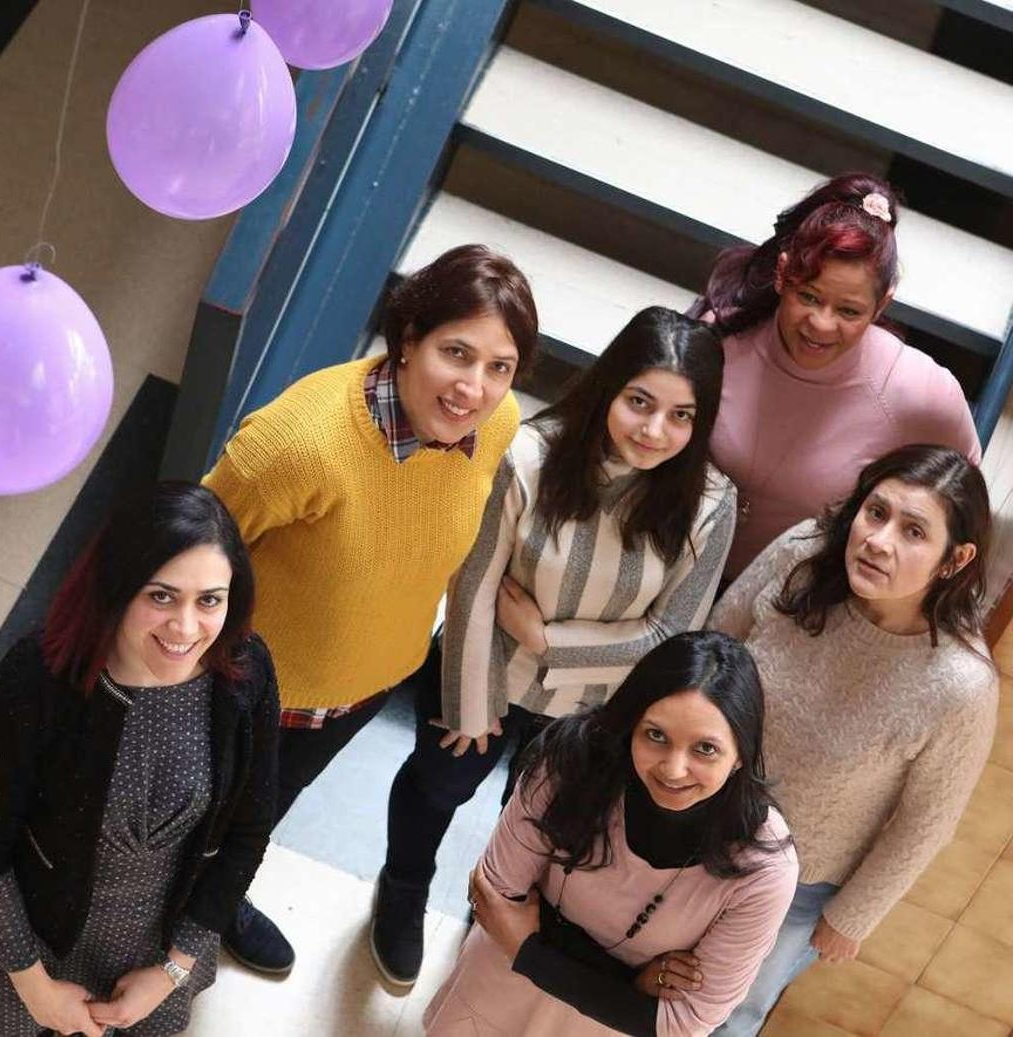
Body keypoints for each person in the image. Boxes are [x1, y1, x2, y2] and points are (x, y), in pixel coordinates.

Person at [375, 306, 738, 985]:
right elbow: (476, 586)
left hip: (591, 713)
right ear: (608, 388)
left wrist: (545, 637)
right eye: (640, 402)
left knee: (537, 828)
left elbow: (668, 638)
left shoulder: (711, 503)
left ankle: (489, 925)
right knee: (438, 784)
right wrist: (468, 703)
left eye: (682, 415)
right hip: (483, 672)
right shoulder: (530, 456)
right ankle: (400, 890)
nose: (656, 430)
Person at [201, 244, 537, 974]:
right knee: (195, 825)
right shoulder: (298, 445)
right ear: (409, 336)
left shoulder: (498, 424)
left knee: (260, 818)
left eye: (499, 366)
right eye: (457, 352)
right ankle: (167, 941)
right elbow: (184, 556)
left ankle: (215, 904)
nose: (475, 387)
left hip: (364, 681)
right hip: (252, 692)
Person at [0, 483, 278, 1037]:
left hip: (158, 945)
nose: (186, 629)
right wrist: (37, 989)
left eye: (209, 600)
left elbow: (249, 827)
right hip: (36, 937)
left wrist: (172, 969)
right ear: (116, 587)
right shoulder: (40, 677)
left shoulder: (245, 672)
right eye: (161, 596)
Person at [708, 444, 997, 1035]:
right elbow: (711, 654)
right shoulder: (802, 556)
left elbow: (926, 823)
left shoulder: (961, 684)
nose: (879, 540)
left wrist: (854, 917)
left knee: (729, 1015)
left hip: (798, 884)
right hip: (693, 818)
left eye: (914, 531)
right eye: (876, 512)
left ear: (954, 558)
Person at [423, 630, 799, 1036]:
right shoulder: (572, 761)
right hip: (496, 993)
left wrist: (527, 948)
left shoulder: (764, 868)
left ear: (741, 753)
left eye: (705, 749)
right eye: (656, 735)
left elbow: (684, 1024)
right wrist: (631, 984)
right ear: (631, 725)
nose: (673, 769)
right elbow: (491, 896)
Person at [694, 172, 980, 580]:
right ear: (782, 273)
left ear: (882, 305)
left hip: (797, 606)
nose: (821, 325)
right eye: (808, 297)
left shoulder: (918, 390)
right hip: (673, 575)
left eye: (849, 311)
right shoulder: (722, 336)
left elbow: (961, 500)